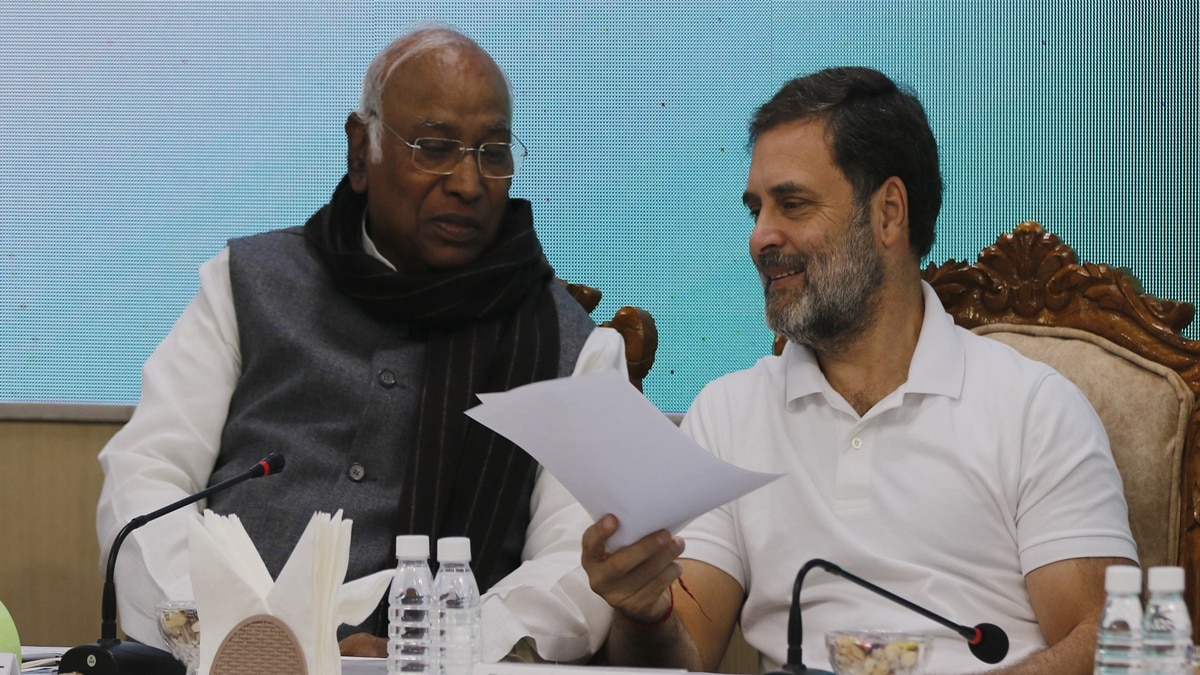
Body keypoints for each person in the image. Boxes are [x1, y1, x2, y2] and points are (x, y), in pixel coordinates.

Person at [581, 66, 1137, 674]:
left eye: (793, 204)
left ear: (889, 213)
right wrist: (644, 611)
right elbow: (683, 658)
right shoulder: (727, 414)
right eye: (756, 210)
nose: (761, 237)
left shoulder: (1034, 408)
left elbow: (1104, 643)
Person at [97, 25, 617, 661]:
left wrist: (427, 649)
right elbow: (147, 476)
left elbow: (574, 564)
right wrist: (231, 637)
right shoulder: (245, 284)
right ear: (360, 151)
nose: (468, 182)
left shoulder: (569, 348)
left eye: (493, 152)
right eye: (435, 147)